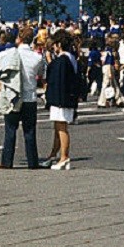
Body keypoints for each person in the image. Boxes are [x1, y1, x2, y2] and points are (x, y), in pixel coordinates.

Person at [0, 28, 44, 169]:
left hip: (13, 96)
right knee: (29, 131)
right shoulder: (37, 57)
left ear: (19, 39)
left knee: (10, 129)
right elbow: (40, 74)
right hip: (30, 97)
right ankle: (32, 162)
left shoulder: (5, 54)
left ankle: (6, 161)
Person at [43, 30, 79, 170]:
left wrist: (50, 61)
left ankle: (64, 157)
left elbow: (57, 78)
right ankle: (54, 154)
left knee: (61, 127)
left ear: (58, 44)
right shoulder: (70, 58)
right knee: (58, 127)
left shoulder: (63, 60)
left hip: (61, 98)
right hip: (65, 98)